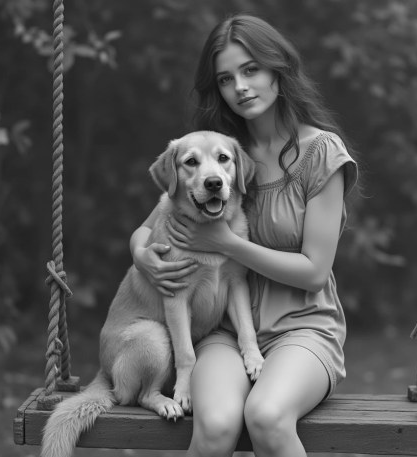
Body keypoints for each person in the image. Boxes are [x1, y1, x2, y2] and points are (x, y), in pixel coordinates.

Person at [130, 14, 358, 457]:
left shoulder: (321, 153)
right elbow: (151, 222)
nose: (241, 86)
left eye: (251, 69)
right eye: (226, 78)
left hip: (304, 328)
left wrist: (227, 244)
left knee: (266, 417)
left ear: (278, 68)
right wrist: (142, 255)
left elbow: (314, 272)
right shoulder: (218, 153)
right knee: (214, 426)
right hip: (225, 329)